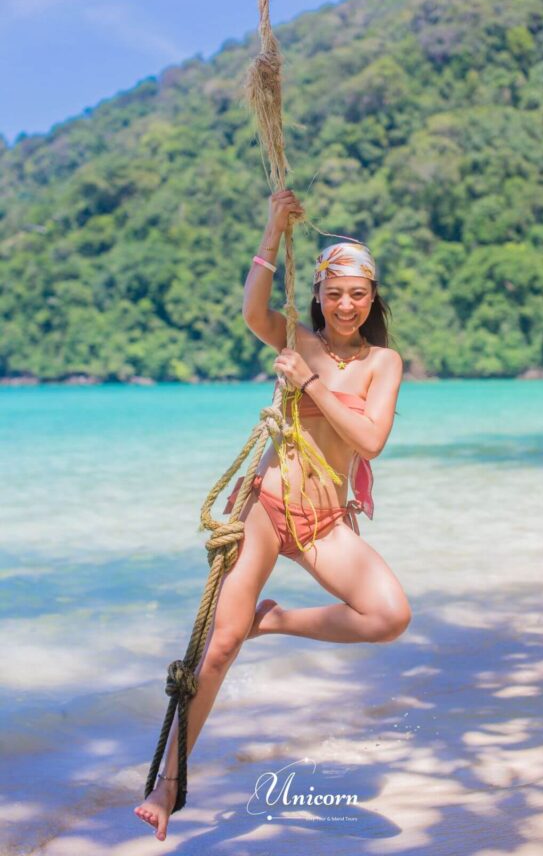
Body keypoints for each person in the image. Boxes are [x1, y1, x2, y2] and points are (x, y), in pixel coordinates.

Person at [134, 189, 411, 841]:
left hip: (324, 523)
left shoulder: (383, 363)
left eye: (358, 294)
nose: (346, 305)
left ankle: (278, 620)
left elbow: (370, 440)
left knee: (390, 616)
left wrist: (310, 383)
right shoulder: (299, 337)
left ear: (373, 298)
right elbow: (252, 309)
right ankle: (168, 784)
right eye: (335, 293)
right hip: (267, 507)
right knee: (221, 643)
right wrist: (270, 228)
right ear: (319, 295)